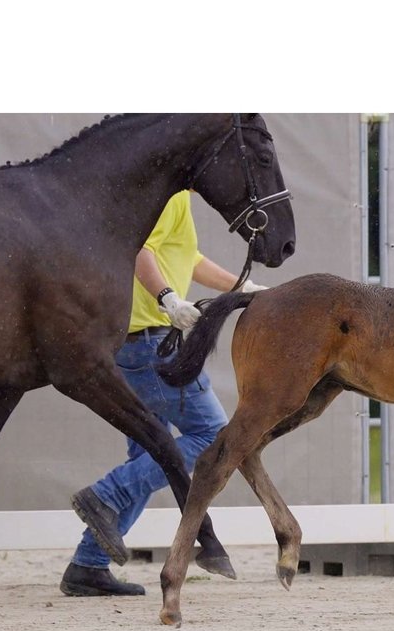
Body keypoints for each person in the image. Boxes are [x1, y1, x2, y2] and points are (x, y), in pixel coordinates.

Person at [61, 190, 266, 596]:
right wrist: (166, 298)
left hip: (134, 343)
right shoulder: (169, 196)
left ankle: (88, 566)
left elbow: (188, 258)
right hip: (152, 343)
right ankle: (105, 495)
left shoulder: (178, 198)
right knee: (214, 435)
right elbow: (141, 249)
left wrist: (246, 289)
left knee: (149, 453)